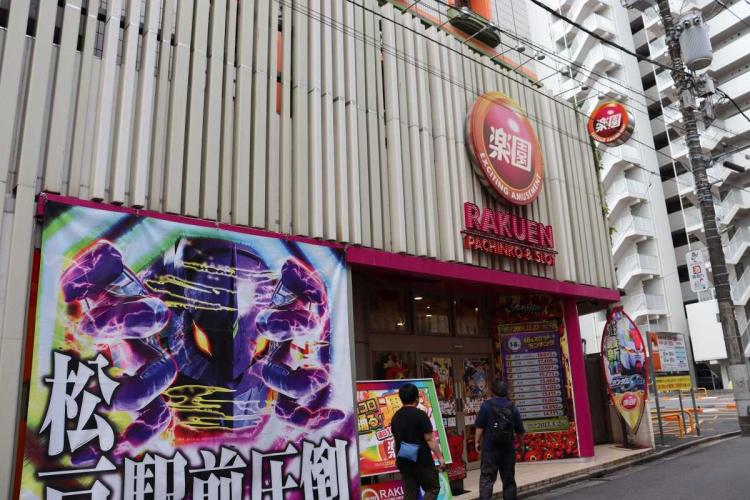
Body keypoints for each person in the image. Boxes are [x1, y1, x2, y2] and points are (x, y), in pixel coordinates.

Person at [390, 382, 446, 500]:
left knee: (410, 494)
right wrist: (440, 457)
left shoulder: (396, 417)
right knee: (433, 487)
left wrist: (397, 458)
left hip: (404, 460)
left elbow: (395, 441)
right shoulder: (420, 415)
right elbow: (430, 439)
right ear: (416, 398)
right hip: (422, 460)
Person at [475, 380, 525, 500]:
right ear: (506, 391)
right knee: (508, 479)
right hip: (508, 448)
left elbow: (479, 427)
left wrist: (476, 442)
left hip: (490, 448)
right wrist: (522, 445)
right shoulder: (512, 407)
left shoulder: (486, 406)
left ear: (492, 391)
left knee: (487, 478)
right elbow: (520, 430)